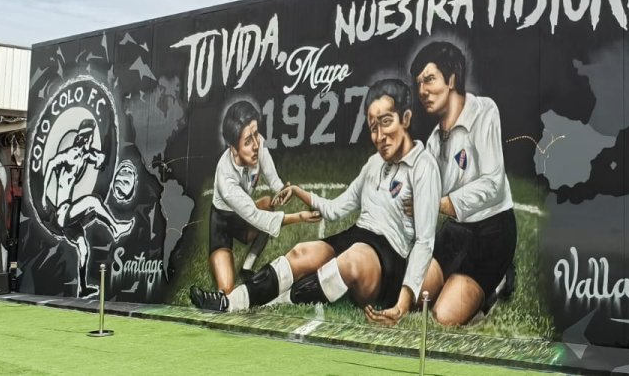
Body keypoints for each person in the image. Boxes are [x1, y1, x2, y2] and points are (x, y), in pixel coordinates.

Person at [190, 79, 441, 325]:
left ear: (405, 119)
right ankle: (228, 304)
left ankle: (276, 302)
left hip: (389, 258)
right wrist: (299, 192)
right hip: (358, 235)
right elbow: (336, 209)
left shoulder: (423, 166)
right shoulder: (374, 164)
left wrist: (403, 304)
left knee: (353, 259)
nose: (379, 135)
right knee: (303, 252)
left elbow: (424, 242)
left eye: (386, 122)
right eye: (373, 126)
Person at [410, 41, 517, 326]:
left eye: (429, 79)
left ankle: (497, 282)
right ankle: (457, 282)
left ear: (452, 79)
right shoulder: (433, 142)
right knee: (414, 297)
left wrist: (442, 203)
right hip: (456, 232)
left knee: (443, 316)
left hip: (492, 231)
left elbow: (493, 183)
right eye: (419, 82)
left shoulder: (484, 111)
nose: (422, 90)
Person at [206, 100, 317, 295]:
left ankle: (247, 268)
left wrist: (283, 190)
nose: (256, 145)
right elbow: (257, 218)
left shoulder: (259, 145)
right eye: (248, 141)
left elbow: (273, 179)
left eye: (256, 134)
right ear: (233, 148)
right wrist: (299, 217)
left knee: (267, 203)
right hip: (222, 222)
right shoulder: (226, 178)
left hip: (242, 216)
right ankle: (224, 259)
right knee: (226, 290)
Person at [43, 120, 134, 295]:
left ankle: (82, 287)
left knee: (83, 248)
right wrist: (43, 194)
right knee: (93, 201)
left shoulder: (84, 154)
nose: (92, 139)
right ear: (86, 137)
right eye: (90, 136)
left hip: (69, 221)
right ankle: (115, 228)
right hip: (63, 212)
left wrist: (99, 157)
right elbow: (51, 164)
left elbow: (97, 158)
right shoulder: (72, 154)